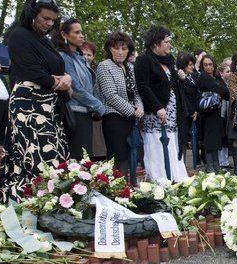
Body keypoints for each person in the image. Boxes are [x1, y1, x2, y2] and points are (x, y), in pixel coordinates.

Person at [0, 0, 71, 202]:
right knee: (32, 155)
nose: (49, 24)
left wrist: (67, 78)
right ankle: (30, 203)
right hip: (27, 104)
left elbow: (59, 68)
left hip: (49, 105)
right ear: (32, 14)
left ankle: (53, 202)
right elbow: (32, 71)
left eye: (53, 21)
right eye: (45, 18)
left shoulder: (45, 41)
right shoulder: (18, 35)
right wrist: (61, 81)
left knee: (54, 154)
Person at [134, 25, 189, 182]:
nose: (169, 45)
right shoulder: (144, 60)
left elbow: (171, 86)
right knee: (157, 148)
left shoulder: (169, 62)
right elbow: (143, 86)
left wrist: (180, 77)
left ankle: (175, 178)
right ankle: (160, 180)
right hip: (155, 115)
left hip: (171, 116)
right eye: (166, 41)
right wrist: (158, 107)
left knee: (172, 146)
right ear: (156, 43)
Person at [54, 18, 106, 159]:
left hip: (86, 113)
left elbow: (90, 86)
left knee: (85, 159)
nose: (81, 35)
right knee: (78, 160)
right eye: (77, 32)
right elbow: (76, 88)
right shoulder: (64, 57)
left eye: (81, 32)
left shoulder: (80, 58)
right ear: (65, 35)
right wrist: (99, 106)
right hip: (74, 113)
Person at [95, 31, 143, 181]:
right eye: (117, 48)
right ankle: (118, 192)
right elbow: (110, 95)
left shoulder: (130, 67)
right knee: (118, 157)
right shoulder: (104, 66)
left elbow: (136, 92)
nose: (120, 51)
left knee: (131, 156)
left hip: (131, 118)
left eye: (124, 48)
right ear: (110, 49)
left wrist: (140, 107)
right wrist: (133, 110)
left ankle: (128, 189)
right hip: (114, 118)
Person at [196, 54, 230, 173]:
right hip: (206, 113)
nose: (208, 67)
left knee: (216, 140)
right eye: (205, 65)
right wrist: (218, 89)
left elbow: (226, 92)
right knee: (209, 140)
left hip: (216, 112)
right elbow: (221, 90)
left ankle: (216, 165)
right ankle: (209, 165)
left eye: (210, 64)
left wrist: (218, 88)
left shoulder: (216, 78)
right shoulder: (203, 77)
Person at [176, 52, 199, 167]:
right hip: (183, 113)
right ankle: (181, 165)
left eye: (192, 64)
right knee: (182, 140)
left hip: (191, 112)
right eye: (189, 64)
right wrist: (192, 111)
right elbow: (183, 97)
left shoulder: (191, 77)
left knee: (185, 140)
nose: (192, 67)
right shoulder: (179, 78)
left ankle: (183, 165)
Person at [216, 62, 232, 168]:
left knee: (226, 137)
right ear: (221, 73)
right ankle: (221, 161)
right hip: (220, 113)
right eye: (228, 71)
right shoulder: (218, 83)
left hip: (227, 113)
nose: (230, 73)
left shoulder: (229, 83)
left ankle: (225, 160)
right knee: (221, 137)